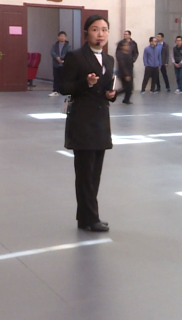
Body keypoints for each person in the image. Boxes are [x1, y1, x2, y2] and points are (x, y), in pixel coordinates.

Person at [60, 15, 116, 232]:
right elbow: (63, 87)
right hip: (82, 121)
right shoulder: (75, 57)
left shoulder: (109, 59)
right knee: (85, 174)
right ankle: (91, 218)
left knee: (94, 174)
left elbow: (106, 88)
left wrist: (111, 94)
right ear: (87, 33)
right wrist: (86, 82)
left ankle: (85, 217)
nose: (100, 34)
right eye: (95, 29)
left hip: (101, 122)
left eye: (104, 29)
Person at [49, 31, 72, 97]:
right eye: (61, 36)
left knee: (64, 77)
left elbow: (68, 53)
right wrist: (57, 57)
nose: (62, 37)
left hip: (64, 64)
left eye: (63, 36)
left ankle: (63, 90)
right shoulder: (55, 45)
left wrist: (61, 58)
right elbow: (52, 52)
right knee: (56, 77)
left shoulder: (68, 45)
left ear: (65, 37)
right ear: (58, 37)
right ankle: (55, 91)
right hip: (56, 64)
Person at [115, 39, 134, 104]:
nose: (127, 46)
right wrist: (126, 74)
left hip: (129, 72)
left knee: (129, 88)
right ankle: (114, 94)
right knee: (126, 88)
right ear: (122, 47)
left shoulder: (128, 53)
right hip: (124, 74)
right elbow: (122, 65)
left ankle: (126, 99)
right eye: (126, 45)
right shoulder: (120, 54)